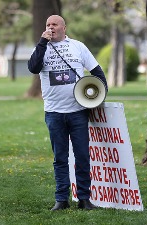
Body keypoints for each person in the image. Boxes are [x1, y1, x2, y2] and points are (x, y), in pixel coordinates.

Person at [27, 15, 107, 211]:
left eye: (54, 24)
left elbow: (98, 72)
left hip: (78, 111)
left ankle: (84, 199)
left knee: (82, 156)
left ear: (64, 27)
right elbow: (33, 67)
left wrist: (99, 97)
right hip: (54, 112)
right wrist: (42, 43)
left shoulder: (78, 46)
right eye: (47, 24)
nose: (50, 27)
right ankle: (61, 199)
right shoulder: (41, 48)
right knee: (60, 158)